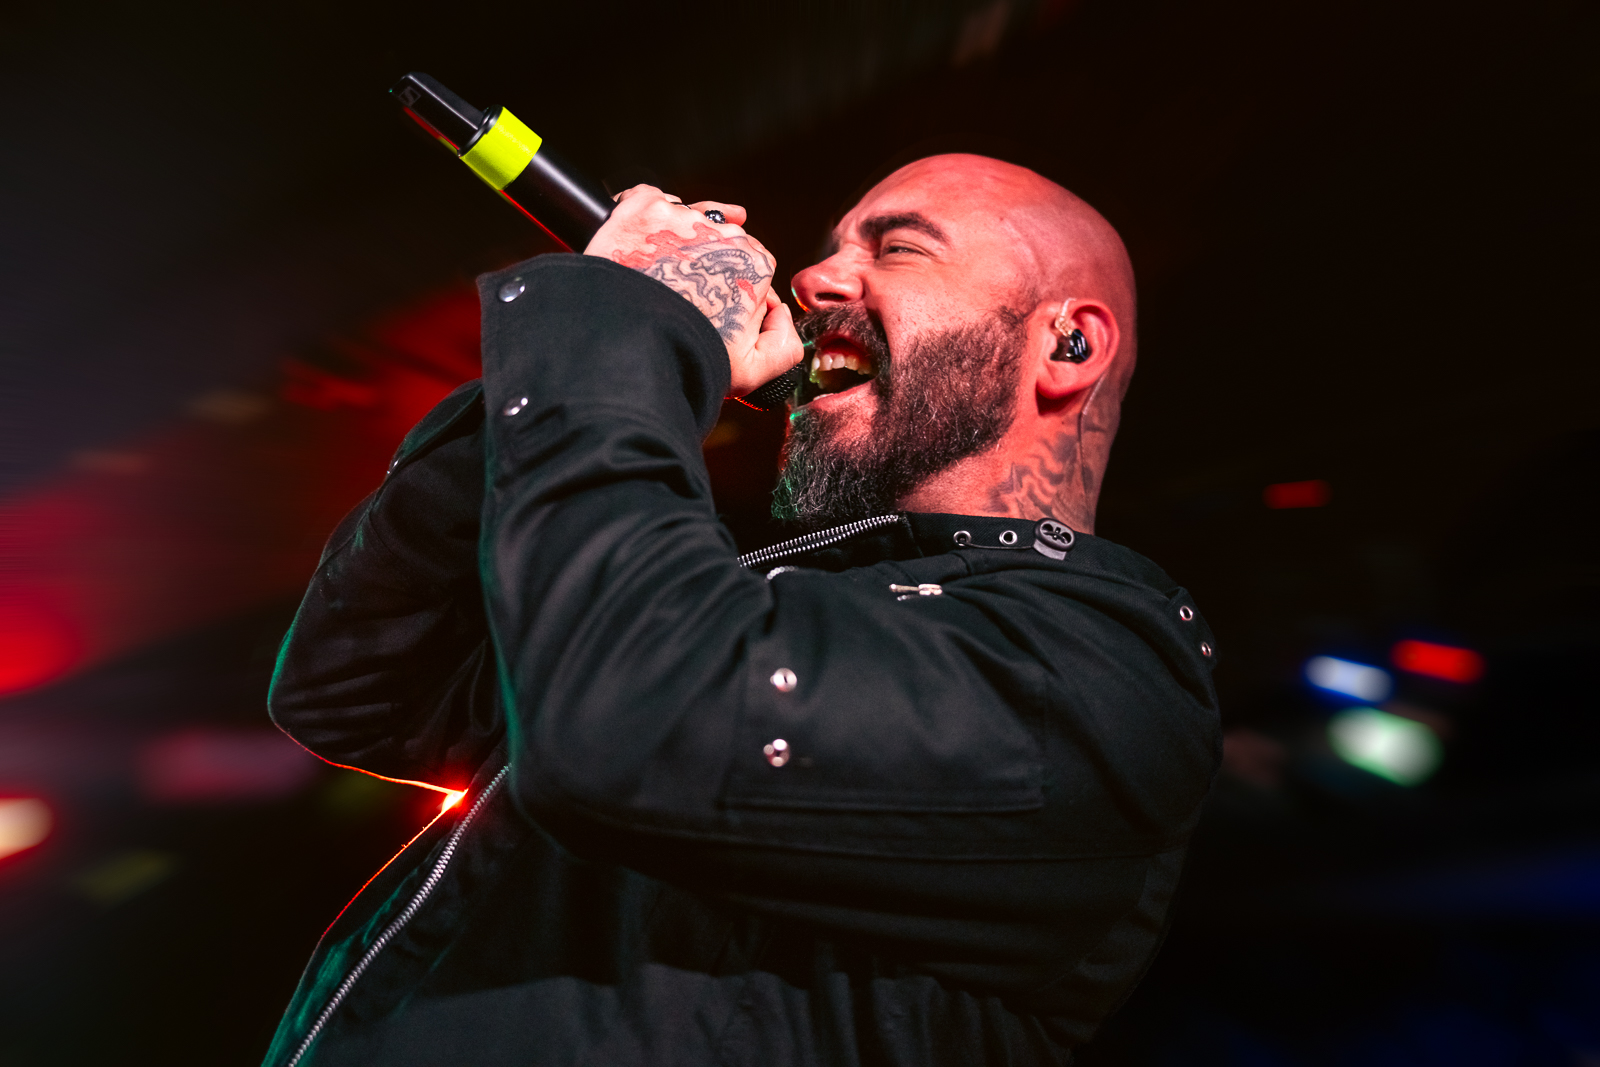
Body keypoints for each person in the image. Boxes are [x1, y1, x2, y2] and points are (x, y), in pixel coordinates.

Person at [262, 154, 1220, 1067]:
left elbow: (636, 715)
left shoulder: (1100, 675)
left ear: (1069, 343)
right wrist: (575, 367)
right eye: (833, 248)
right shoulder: (766, 601)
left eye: (897, 248)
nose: (811, 277)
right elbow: (362, 685)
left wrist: (621, 333)